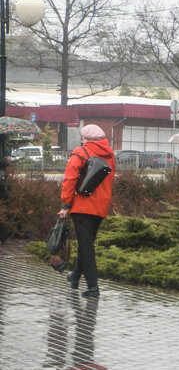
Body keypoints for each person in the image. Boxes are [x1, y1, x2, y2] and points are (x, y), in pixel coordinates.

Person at [59, 124, 115, 298]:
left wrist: (65, 205)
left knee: (86, 246)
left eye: (83, 138)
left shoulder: (81, 152)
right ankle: (75, 277)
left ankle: (93, 287)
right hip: (100, 206)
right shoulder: (110, 155)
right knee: (86, 243)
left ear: (87, 139)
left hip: (82, 205)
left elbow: (70, 179)